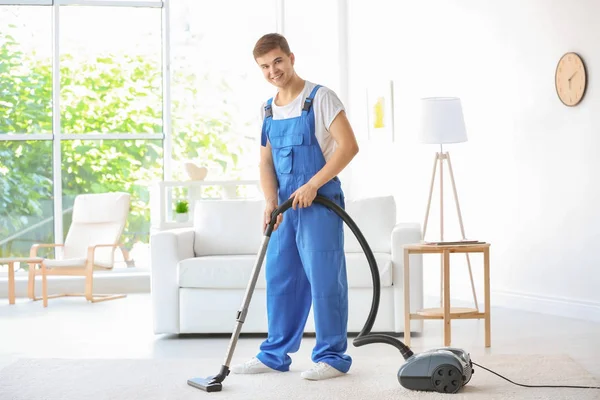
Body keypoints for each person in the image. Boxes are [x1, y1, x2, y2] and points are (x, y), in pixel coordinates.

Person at [231, 33, 360, 381]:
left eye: (277, 61)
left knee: (324, 280)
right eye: (264, 66)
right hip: (285, 208)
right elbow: (265, 163)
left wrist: (313, 183)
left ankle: (332, 357)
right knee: (281, 279)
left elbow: (349, 147)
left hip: (320, 203)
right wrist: (270, 202)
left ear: (290, 57)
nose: (273, 70)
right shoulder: (267, 108)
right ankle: (274, 354)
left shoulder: (320, 98)